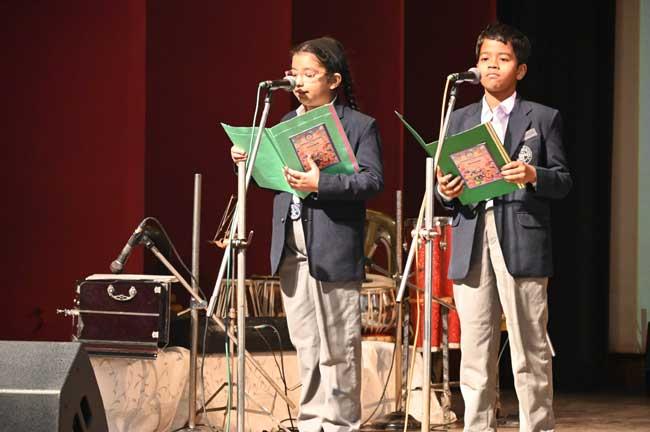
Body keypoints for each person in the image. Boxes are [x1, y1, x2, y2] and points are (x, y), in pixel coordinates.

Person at [230, 36, 383, 432]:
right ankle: (312, 423)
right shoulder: (284, 122)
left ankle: (341, 424)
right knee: (306, 345)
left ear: (333, 80)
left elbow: (372, 180)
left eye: (309, 74)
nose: (298, 81)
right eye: (293, 73)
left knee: (338, 348)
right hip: (291, 248)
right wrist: (247, 159)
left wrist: (322, 183)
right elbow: (271, 177)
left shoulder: (359, 125)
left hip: (333, 248)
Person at [436, 23, 572, 432]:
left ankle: (538, 426)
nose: (492, 66)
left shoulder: (542, 118)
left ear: (521, 69)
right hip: (472, 238)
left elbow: (563, 181)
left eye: (503, 59)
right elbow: (447, 189)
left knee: (530, 349)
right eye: (484, 59)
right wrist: (446, 190)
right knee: (475, 352)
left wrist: (533, 174)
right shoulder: (458, 118)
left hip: (522, 239)